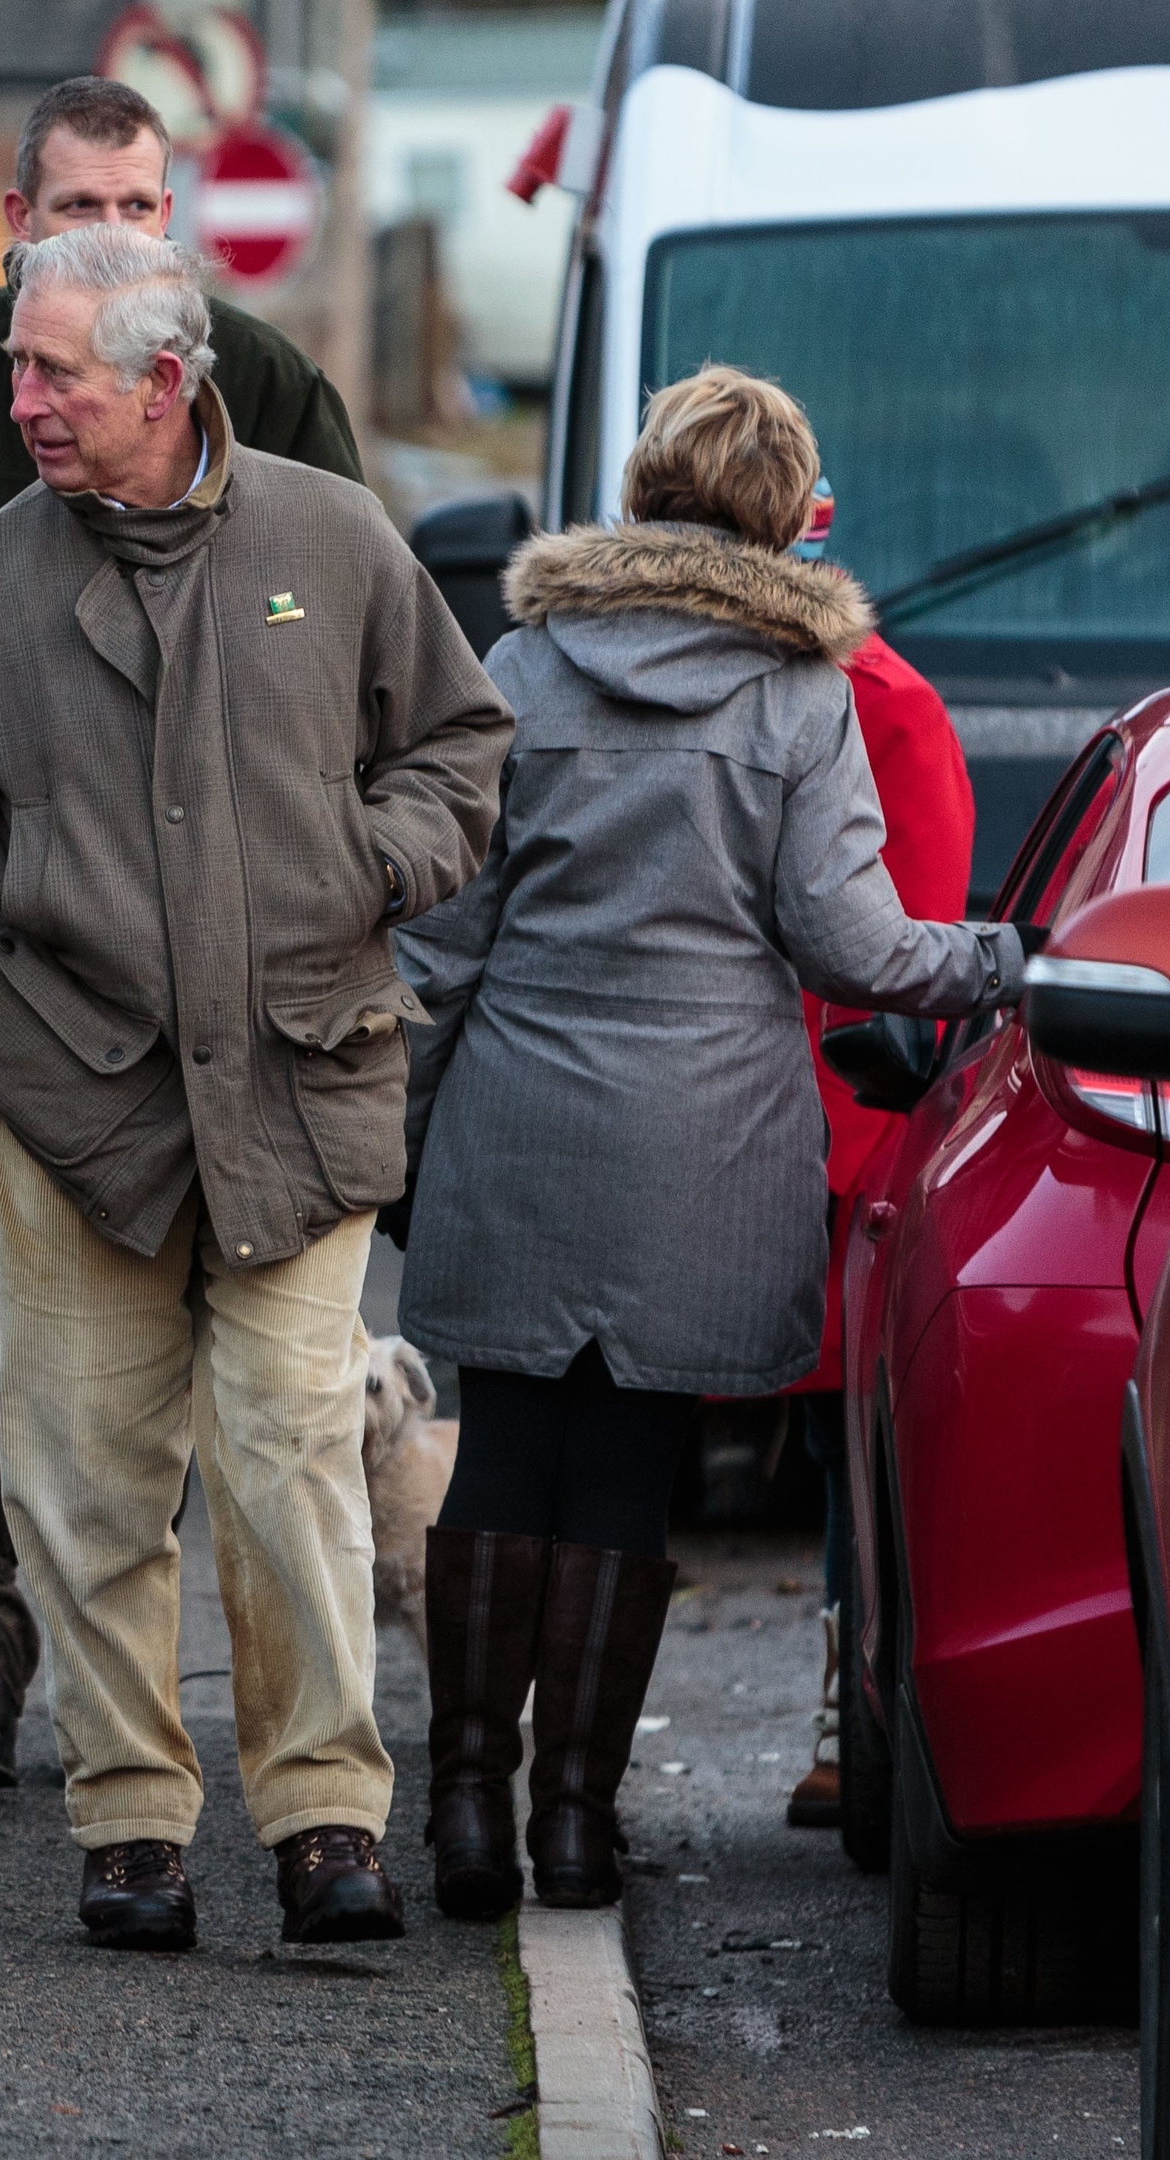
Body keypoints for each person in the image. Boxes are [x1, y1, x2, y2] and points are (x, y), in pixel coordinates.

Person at [0, 224, 512, 1952]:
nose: (21, 398)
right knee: (83, 1474)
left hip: (304, 1085)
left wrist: (375, 861)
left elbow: (461, 742)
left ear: (166, 377)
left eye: (53, 371)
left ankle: (325, 1821)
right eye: (16, 367)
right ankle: (130, 1821)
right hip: (80, 1112)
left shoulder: (328, 533)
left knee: (291, 1453)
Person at [0, 72, 368, 1797]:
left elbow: (372, 652)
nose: (110, 236)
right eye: (77, 209)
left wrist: (343, 868)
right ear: (15, 218)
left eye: (138, 206)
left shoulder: (262, 384)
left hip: (258, 983)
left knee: (274, 1407)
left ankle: (312, 1786)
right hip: (21, 949)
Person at [394, 365, 1026, 1923]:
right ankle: (574, 1828)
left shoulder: (524, 669)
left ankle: (464, 1808)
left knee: (502, 1451)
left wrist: (398, 1134)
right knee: (625, 1470)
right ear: (781, 514)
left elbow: (443, 943)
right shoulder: (804, 700)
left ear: (647, 489)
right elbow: (855, 945)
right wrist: (1015, 960)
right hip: (703, 1138)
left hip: (519, 1115)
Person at [776, 480, 975, 1831]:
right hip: (765, 1123)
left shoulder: (881, 702)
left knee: (852, 1456)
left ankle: (849, 1707)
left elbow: (910, 948)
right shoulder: (823, 686)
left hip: (833, 1132)